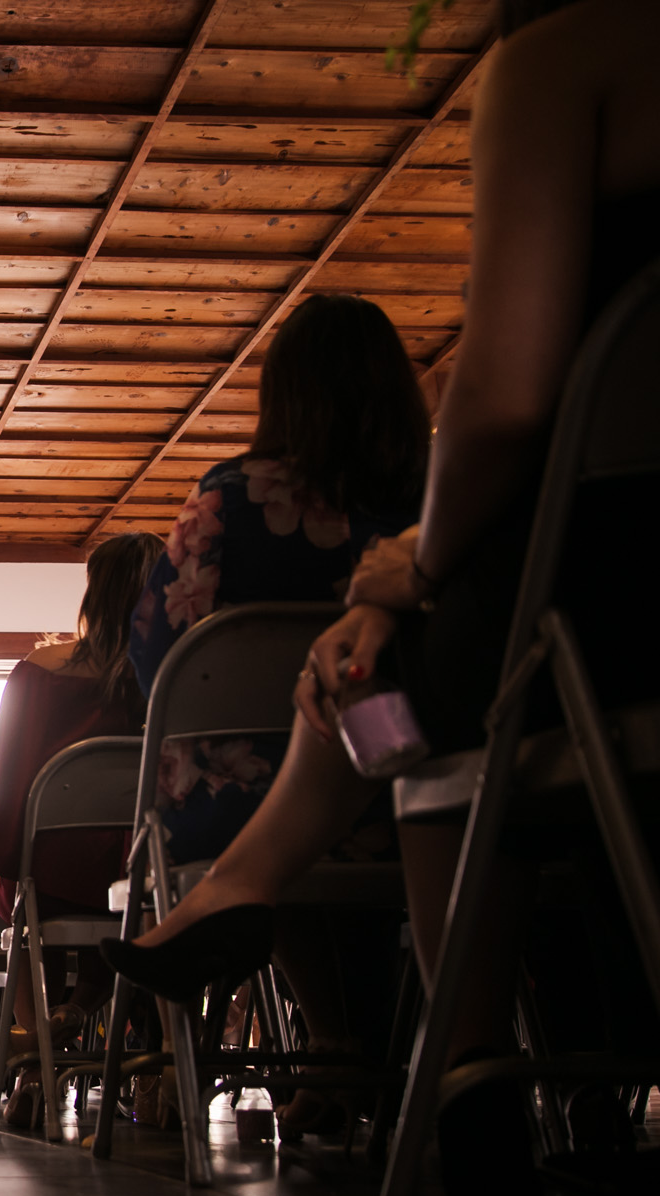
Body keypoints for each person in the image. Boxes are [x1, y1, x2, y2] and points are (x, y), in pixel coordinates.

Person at [104, 0, 660, 1196]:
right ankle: (373, 1022)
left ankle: (463, 1073)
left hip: (608, 623)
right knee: (391, 666)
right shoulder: (393, 488)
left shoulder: (574, 55)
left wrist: (416, 573)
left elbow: (504, 399)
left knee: (393, 707)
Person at [126, 292, 429, 863]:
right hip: (414, 774)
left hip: (243, 800)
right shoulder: (441, 508)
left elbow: (161, 663)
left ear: (281, 394)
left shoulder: (231, 501)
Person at [0, 533, 164, 1076]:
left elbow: (0, 782)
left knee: (27, 902)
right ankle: (112, 1031)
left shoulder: (37, 671)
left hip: (48, 879)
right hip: (145, 876)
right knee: (138, 901)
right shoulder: (172, 670)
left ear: (93, 592)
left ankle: (38, 1061)